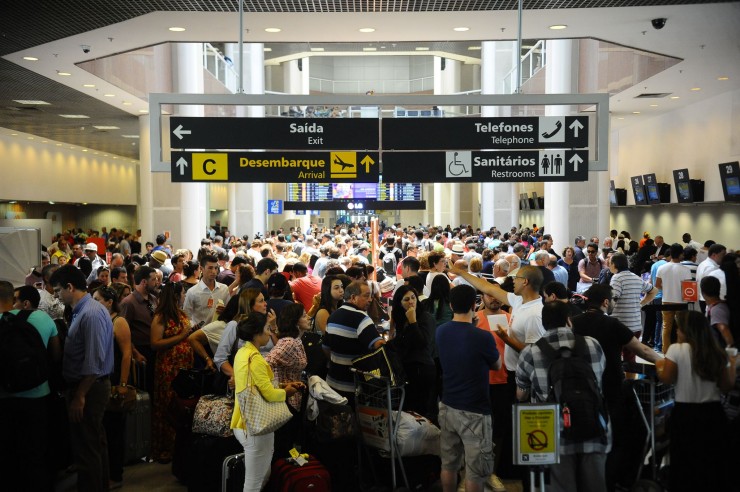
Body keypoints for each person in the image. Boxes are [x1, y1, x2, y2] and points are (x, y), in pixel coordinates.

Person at [571, 284, 662, 491]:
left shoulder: (574, 323)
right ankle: (609, 479)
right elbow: (642, 350)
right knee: (614, 436)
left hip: (580, 388)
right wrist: (664, 363)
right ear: (605, 302)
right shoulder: (612, 324)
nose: (613, 303)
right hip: (610, 386)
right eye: (612, 300)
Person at [516, 301, 609, 492]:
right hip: (593, 426)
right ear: (569, 320)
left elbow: (521, 393)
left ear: (543, 323)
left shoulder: (530, 352)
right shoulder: (592, 344)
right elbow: (599, 379)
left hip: (553, 435)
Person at [50, 265, 114, 492]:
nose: (56, 296)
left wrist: (79, 395)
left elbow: (94, 362)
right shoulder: (82, 311)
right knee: (94, 443)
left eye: (58, 290)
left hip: (89, 388)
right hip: (87, 387)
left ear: (70, 287)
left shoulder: (91, 313)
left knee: (87, 449)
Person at [656, 311, 736, 492]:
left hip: (685, 414)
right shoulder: (717, 351)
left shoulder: (677, 350)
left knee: (685, 464)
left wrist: (660, 367)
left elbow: (667, 378)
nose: (677, 332)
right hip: (714, 414)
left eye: (679, 328)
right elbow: (726, 386)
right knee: (711, 463)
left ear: (687, 330)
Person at [436, 284, 501, 492]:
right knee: (476, 470)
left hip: (447, 405)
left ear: (451, 304)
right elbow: (497, 365)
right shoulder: (482, 336)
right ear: (475, 304)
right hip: (475, 410)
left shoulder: (441, 331)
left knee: (448, 463)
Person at [231, 312, 304, 492]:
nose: (270, 331)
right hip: (255, 426)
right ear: (256, 333)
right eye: (266, 328)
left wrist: (283, 385)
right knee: (254, 483)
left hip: (243, 421)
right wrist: (286, 392)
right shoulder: (255, 359)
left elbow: (260, 386)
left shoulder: (243, 352)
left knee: (261, 476)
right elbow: (270, 394)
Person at [0, 282, 60, 492]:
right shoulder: (43, 318)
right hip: (39, 394)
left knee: (8, 450)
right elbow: (55, 356)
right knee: (36, 449)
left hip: (5, 397)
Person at [93, 285, 133, 489]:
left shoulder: (119, 321)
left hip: (116, 378)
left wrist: (123, 384)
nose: (94, 303)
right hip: (103, 378)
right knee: (105, 430)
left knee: (114, 430)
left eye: (98, 299)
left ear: (109, 302)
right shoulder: (101, 319)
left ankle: (116, 475)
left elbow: (127, 354)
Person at [149, 282, 194, 463]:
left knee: (181, 406)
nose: (184, 296)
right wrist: (181, 337)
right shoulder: (161, 316)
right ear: (176, 295)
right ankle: (165, 447)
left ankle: (179, 446)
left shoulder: (181, 313)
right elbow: (155, 343)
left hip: (182, 367)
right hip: (168, 368)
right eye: (183, 293)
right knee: (168, 405)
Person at [323, 280, 385, 401]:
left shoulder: (332, 316)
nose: (370, 300)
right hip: (353, 386)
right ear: (353, 297)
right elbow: (379, 346)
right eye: (366, 296)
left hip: (332, 384)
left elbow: (325, 348)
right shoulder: (362, 318)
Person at [265, 303, 308, 459]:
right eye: (304, 315)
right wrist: (278, 386)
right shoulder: (289, 343)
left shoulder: (295, 340)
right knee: (283, 445)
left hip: (292, 399)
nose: (308, 317)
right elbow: (267, 362)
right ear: (295, 321)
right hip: (285, 401)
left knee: (286, 443)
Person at [215, 289, 278, 392]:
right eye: (261, 301)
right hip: (243, 384)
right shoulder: (234, 325)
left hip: (267, 379)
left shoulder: (266, 324)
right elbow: (220, 358)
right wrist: (237, 376)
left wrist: (273, 327)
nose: (265, 304)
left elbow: (278, 348)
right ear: (250, 305)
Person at [389, 285, 437, 420]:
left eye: (413, 298)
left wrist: (413, 321)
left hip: (422, 369)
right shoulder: (401, 318)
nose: (411, 301)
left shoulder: (425, 317)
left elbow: (422, 343)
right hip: (407, 370)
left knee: (421, 410)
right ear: (399, 303)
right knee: (409, 410)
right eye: (406, 299)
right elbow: (400, 343)